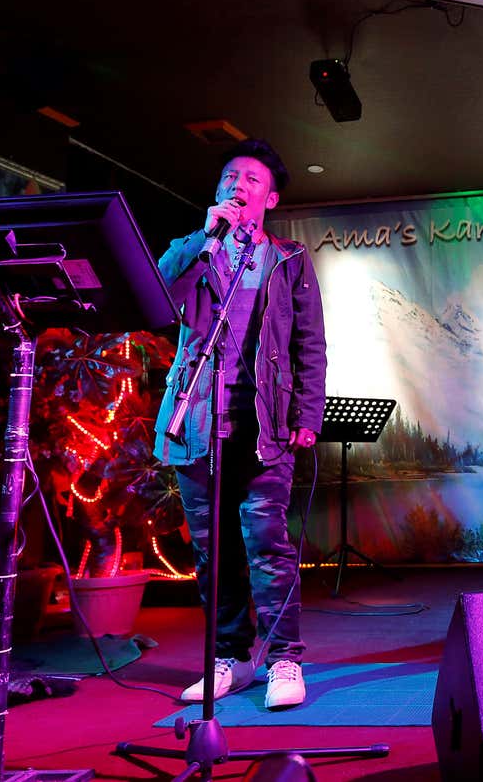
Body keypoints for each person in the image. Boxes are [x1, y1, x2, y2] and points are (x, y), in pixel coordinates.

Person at [153, 138, 326, 709]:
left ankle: (283, 660)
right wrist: (205, 239)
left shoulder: (291, 260)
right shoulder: (192, 249)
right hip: (197, 423)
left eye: (251, 179)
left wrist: (305, 415)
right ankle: (230, 657)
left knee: (268, 548)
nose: (237, 185)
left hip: (265, 428)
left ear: (269, 198)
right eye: (230, 176)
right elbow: (155, 302)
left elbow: (309, 345)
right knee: (213, 554)